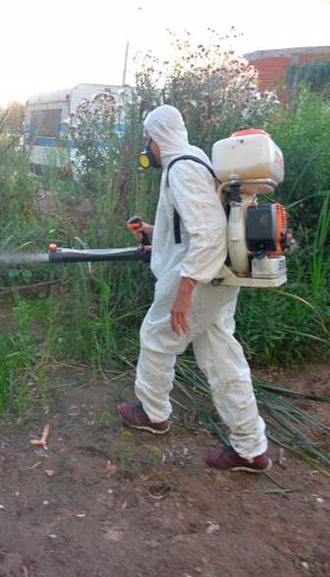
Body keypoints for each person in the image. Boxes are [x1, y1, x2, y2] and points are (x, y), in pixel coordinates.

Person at [118, 104, 271, 473]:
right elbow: (195, 225)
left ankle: (153, 414)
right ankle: (250, 448)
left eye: (148, 139)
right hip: (217, 277)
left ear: (159, 136)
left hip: (202, 278)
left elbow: (208, 234)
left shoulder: (181, 168)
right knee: (221, 356)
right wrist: (155, 234)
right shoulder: (195, 159)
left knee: (157, 337)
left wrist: (184, 294)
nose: (147, 147)